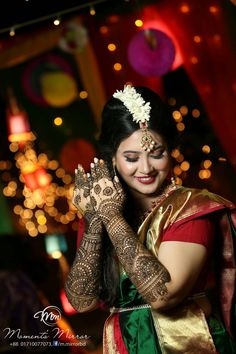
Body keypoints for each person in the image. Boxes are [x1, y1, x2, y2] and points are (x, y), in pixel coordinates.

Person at [65, 85, 236, 353]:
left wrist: (111, 216)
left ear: (170, 150)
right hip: (125, 345)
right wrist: (95, 220)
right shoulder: (102, 211)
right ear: (112, 158)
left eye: (157, 154)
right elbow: (81, 302)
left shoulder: (191, 208)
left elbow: (164, 296)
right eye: (132, 158)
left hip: (188, 344)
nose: (146, 168)